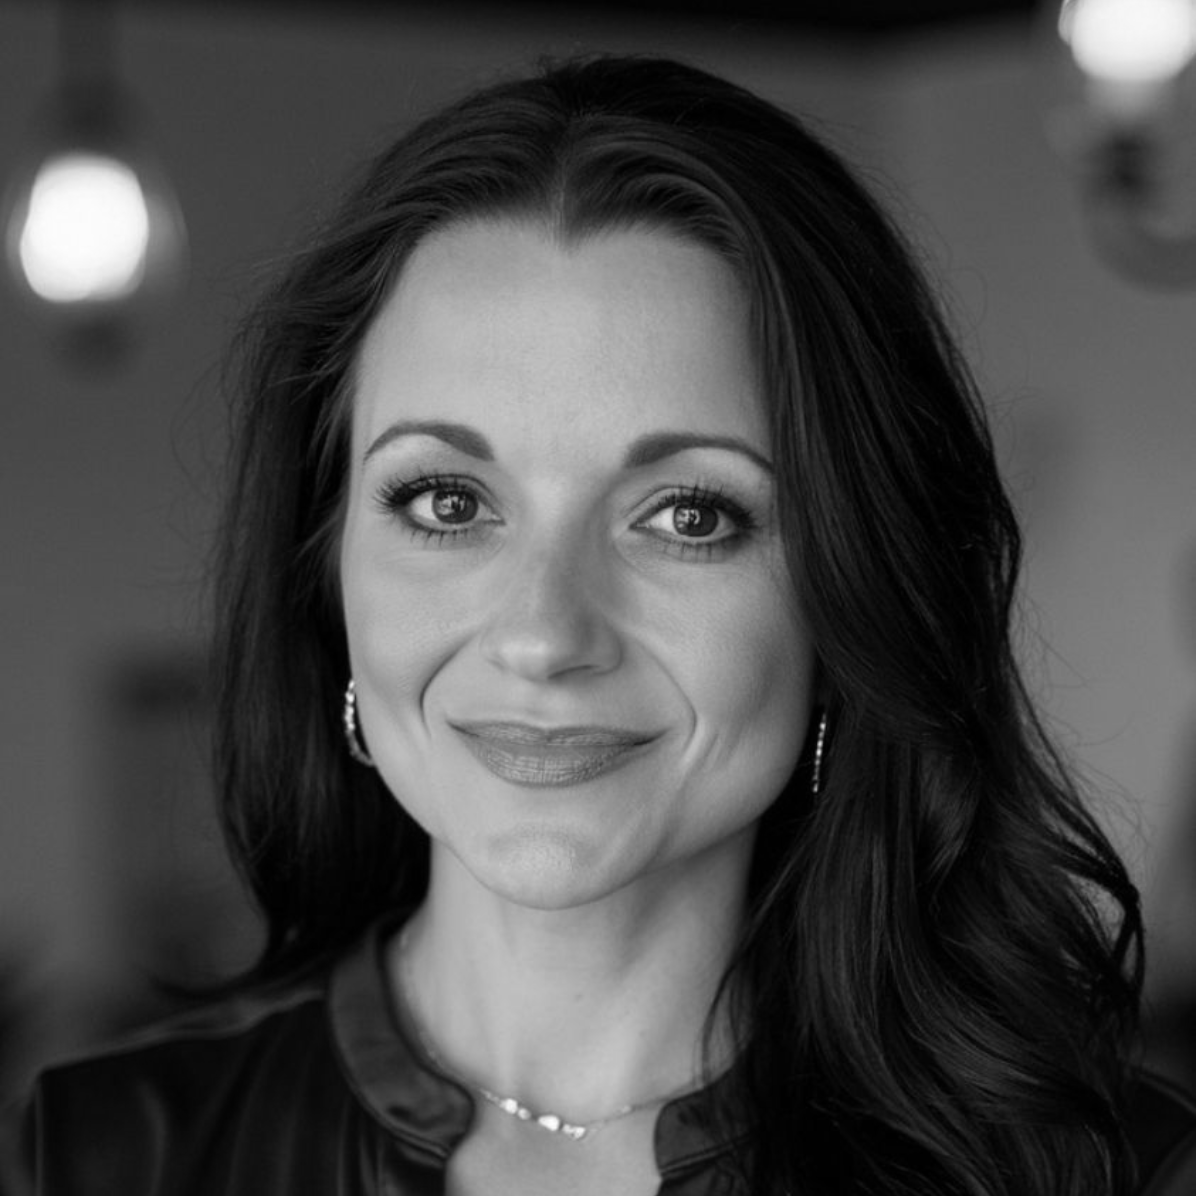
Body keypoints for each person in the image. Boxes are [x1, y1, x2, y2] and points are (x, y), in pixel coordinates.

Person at [3, 53, 1195, 1196]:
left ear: (853, 589)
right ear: (326, 570)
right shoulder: (86, 1158)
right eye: (448, 501)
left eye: (686, 514)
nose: (543, 633)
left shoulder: (1112, 1173)